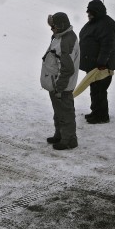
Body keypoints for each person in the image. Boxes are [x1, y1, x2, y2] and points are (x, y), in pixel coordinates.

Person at [41, 12, 80, 150]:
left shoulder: (65, 41)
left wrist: (59, 86)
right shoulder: (61, 36)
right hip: (56, 84)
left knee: (65, 113)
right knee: (59, 113)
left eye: (53, 27)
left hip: (62, 86)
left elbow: (67, 69)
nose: (51, 29)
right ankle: (60, 135)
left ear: (61, 26)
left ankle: (69, 140)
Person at [79, 0, 115, 124]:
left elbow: (108, 45)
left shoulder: (107, 24)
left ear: (96, 11)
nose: (88, 13)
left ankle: (102, 116)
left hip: (102, 66)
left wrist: (101, 62)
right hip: (92, 65)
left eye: (90, 11)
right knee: (94, 89)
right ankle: (95, 112)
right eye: (88, 11)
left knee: (100, 90)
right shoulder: (94, 22)